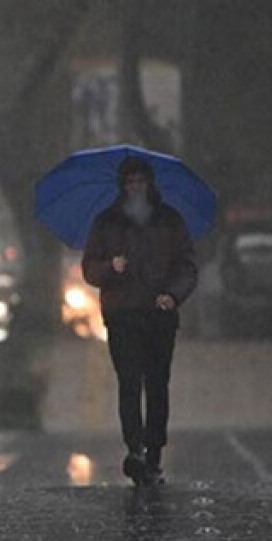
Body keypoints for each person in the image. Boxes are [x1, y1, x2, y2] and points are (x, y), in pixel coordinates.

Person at [82, 156, 198, 486]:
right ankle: (135, 449)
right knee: (130, 383)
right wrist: (110, 268)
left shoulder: (169, 221)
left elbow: (187, 265)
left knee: (157, 385)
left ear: (149, 184)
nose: (135, 188)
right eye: (130, 182)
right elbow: (90, 268)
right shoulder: (107, 223)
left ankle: (154, 452)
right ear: (123, 185)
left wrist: (172, 295)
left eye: (140, 181)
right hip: (122, 315)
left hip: (160, 316)